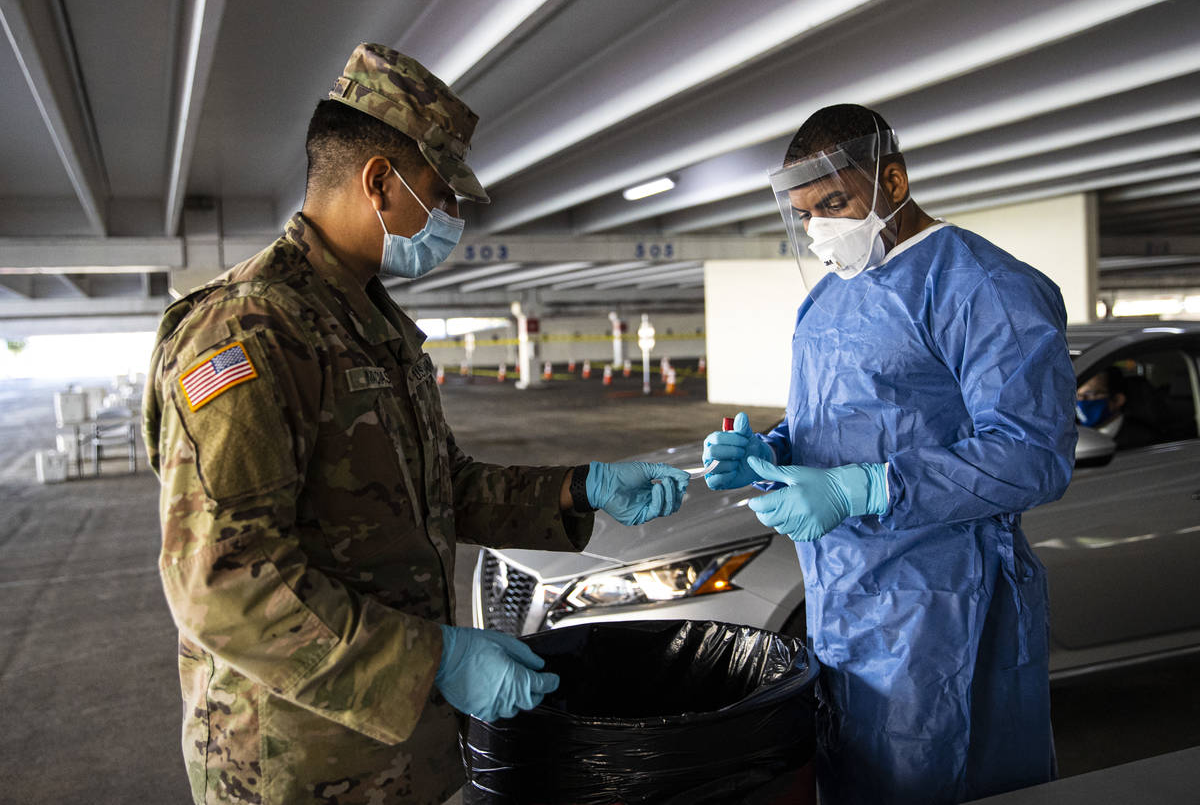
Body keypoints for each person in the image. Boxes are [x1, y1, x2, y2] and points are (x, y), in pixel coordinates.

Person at [142, 43, 689, 805]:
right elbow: (222, 583)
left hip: (400, 750)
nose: (452, 218)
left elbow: (436, 488)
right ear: (378, 182)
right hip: (294, 762)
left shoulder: (370, 322)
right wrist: (433, 659)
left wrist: (579, 487)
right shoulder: (250, 333)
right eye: (441, 192)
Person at [702, 104, 1076, 804]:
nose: (819, 229)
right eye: (806, 213)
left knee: (943, 774)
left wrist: (869, 489)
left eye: (835, 202)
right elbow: (850, 416)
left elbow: (1031, 453)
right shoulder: (827, 302)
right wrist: (768, 448)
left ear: (894, 182)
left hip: (945, 604)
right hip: (844, 600)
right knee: (855, 777)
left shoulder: (982, 286)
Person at [1076, 365, 1159, 448]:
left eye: (1089, 394)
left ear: (1117, 400)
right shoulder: (1073, 433)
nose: (1080, 400)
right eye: (1076, 395)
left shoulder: (1144, 440)